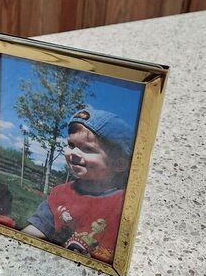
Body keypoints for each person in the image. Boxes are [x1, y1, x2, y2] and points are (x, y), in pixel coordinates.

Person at [22, 105, 134, 264]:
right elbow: (39, 228)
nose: (73, 152)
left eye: (88, 148)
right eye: (71, 145)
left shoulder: (124, 204)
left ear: (119, 164)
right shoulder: (60, 194)